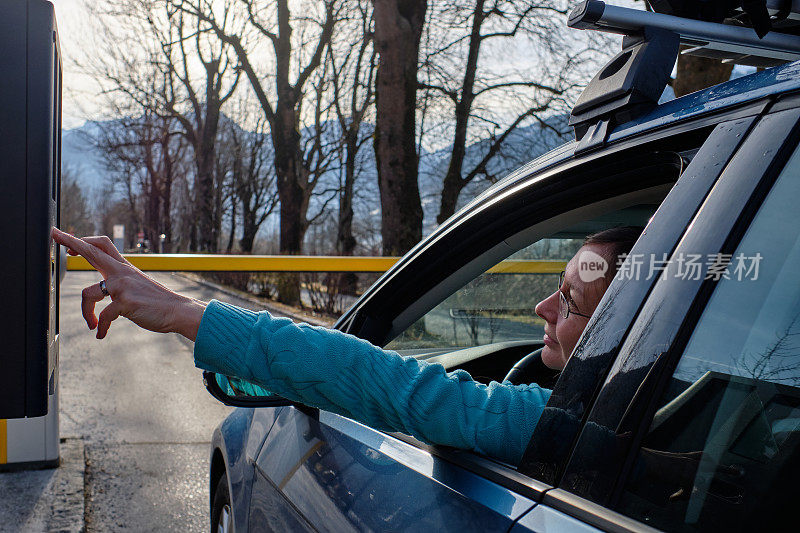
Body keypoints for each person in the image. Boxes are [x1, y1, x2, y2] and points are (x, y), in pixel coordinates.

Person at [51, 226, 642, 465]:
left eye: (567, 301)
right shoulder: (659, 413)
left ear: (623, 337)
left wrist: (184, 314)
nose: (541, 308)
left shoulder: (565, 425)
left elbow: (382, 381)